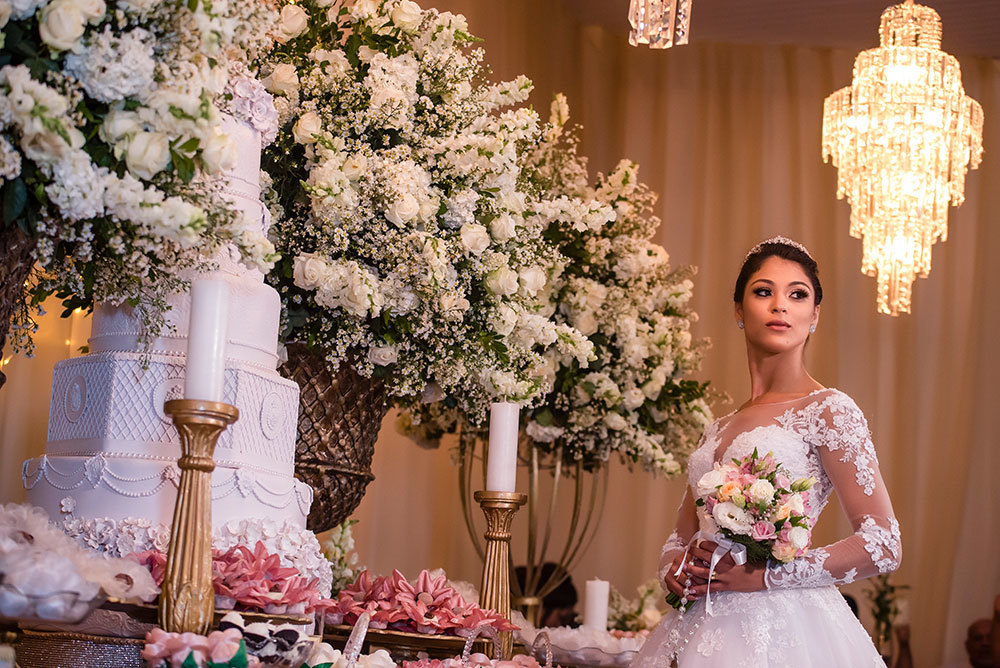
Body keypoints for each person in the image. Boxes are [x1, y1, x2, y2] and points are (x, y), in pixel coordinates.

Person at [629, 237, 902, 667]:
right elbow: (681, 536)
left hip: (786, 633)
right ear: (739, 310)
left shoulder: (828, 410)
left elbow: (883, 543)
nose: (781, 306)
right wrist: (673, 569)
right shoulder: (715, 429)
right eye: (763, 291)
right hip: (697, 626)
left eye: (798, 294)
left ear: (814, 316)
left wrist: (767, 576)